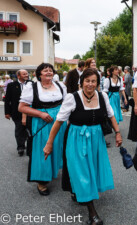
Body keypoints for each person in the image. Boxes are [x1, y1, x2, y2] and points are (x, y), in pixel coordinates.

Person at [43, 68, 122, 225]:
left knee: (92, 169)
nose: (90, 84)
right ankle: (92, 214)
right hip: (77, 138)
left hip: (96, 139)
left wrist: (118, 133)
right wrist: (49, 143)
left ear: (97, 83)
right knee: (83, 172)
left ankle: (79, 191)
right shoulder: (72, 98)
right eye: (87, 81)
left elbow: (111, 114)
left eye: (93, 81)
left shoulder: (103, 96)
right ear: (81, 82)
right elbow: (58, 122)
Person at [18, 63, 67, 196]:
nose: (49, 72)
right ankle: (41, 181)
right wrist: (40, 114)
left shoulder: (60, 86)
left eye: (50, 70)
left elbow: (66, 103)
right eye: (45, 71)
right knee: (43, 150)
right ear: (39, 74)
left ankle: (53, 171)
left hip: (60, 122)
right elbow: (22, 107)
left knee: (58, 147)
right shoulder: (32, 87)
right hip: (42, 123)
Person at [4, 70, 30, 156]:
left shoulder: (32, 83)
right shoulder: (11, 85)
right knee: (19, 129)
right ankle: (20, 147)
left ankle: (29, 146)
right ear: (18, 76)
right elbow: (7, 99)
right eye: (24, 74)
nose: (26, 75)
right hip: (16, 112)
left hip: (30, 111)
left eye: (27, 73)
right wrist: (7, 112)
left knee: (28, 129)